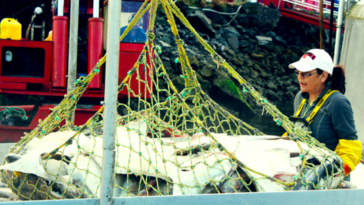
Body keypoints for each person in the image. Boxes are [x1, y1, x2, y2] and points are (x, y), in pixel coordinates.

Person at [289, 49, 362, 180]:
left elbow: (351, 145)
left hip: (328, 179)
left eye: (306, 73)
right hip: (301, 172)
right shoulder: (300, 97)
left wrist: (337, 173)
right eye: (298, 72)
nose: (300, 77)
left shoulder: (337, 102)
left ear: (323, 76)